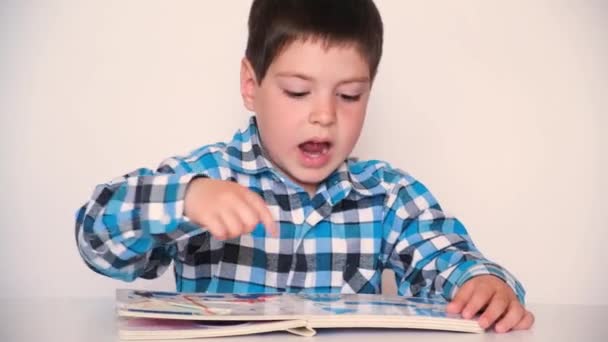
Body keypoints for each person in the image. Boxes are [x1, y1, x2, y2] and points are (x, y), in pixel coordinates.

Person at [75, 0, 534, 333]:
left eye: (349, 95)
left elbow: (446, 257)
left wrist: (482, 281)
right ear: (251, 86)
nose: (325, 115)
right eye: (298, 91)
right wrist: (187, 198)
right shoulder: (206, 177)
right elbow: (97, 239)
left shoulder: (389, 196)